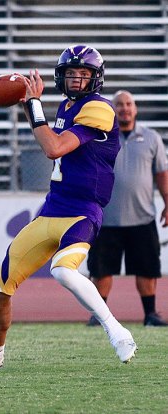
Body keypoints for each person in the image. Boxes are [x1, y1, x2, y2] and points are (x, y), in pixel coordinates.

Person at [0, 45, 137, 370]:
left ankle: (117, 330)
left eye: (83, 74)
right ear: (61, 76)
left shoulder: (100, 108)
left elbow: (54, 149)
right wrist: (29, 106)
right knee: (1, 284)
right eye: (71, 73)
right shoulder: (67, 106)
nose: (77, 79)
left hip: (82, 211)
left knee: (63, 270)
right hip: (52, 209)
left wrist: (36, 105)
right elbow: (47, 139)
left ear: (95, 78)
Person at [87, 90, 168, 327]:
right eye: (119, 104)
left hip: (142, 217)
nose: (124, 108)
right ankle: (98, 316)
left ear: (135, 108)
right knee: (101, 270)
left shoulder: (152, 138)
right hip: (105, 217)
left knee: (147, 269)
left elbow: (162, 173)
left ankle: (150, 314)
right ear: (111, 109)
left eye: (129, 104)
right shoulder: (98, 137)